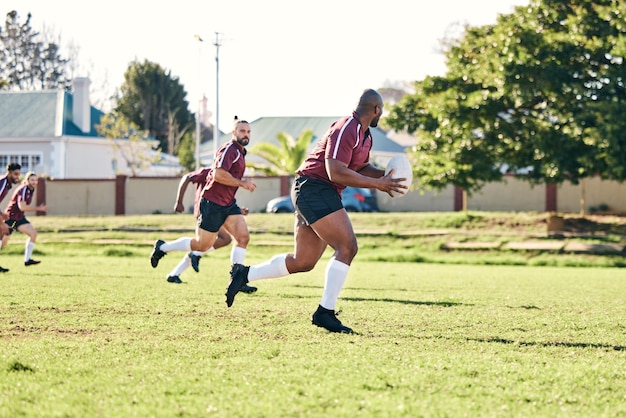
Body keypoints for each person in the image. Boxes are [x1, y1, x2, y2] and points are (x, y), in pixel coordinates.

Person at [224, 89, 407, 333]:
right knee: (347, 246)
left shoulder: (365, 135)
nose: (381, 115)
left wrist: (386, 177)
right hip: (315, 188)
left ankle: (244, 274)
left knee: (304, 261)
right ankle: (325, 312)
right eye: (381, 111)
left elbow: (361, 167)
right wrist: (377, 184)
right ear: (376, 109)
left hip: (317, 190)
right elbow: (336, 172)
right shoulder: (347, 128)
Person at [150, 117, 257, 287]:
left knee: (242, 237)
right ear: (234, 133)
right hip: (212, 204)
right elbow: (218, 174)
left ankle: (237, 279)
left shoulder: (240, 152)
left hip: (228, 204)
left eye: (248, 131)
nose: (246, 134)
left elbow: (227, 177)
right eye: (242, 131)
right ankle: (163, 247)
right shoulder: (230, 149)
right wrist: (243, 183)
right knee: (201, 245)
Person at [166, 166, 257, 293]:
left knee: (223, 240)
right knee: (212, 242)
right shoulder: (209, 171)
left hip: (218, 211)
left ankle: (175, 273)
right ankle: (184, 253)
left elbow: (224, 199)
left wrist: (237, 211)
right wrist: (179, 201)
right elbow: (187, 177)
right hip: (207, 211)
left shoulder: (228, 177)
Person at [2, 171, 48, 266]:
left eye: (36, 180)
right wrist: (39, 209)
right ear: (27, 180)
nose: (34, 182)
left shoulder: (31, 190)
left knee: (33, 234)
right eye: (32, 180)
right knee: (3, 242)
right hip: (11, 218)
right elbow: (22, 207)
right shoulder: (23, 189)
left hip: (19, 218)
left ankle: (27, 260)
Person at [0, 163, 22, 272]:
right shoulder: (3, 182)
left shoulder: (8, 184)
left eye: (18, 174)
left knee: (1, 232)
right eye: (15, 174)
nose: (17, 177)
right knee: (2, 229)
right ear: (9, 173)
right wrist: (2, 220)